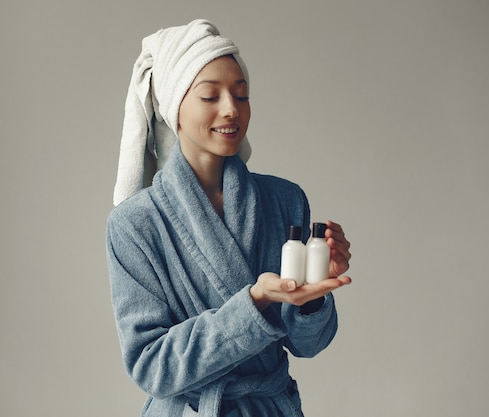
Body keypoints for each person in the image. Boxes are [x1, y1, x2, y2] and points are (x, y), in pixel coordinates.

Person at [106, 19, 352, 417]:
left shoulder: (285, 199)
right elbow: (150, 365)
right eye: (210, 96)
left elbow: (309, 345)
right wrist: (254, 301)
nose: (230, 109)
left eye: (241, 95)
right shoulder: (135, 224)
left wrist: (314, 296)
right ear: (175, 109)